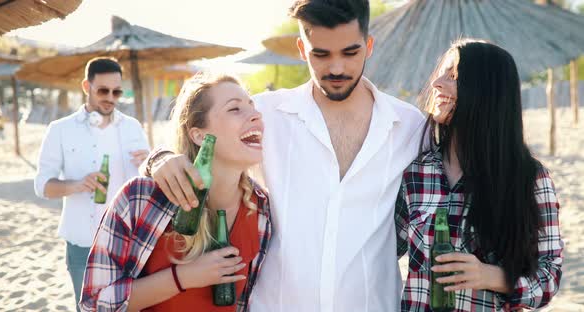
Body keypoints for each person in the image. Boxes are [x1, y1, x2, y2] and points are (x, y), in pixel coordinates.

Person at [143, 0, 425, 310]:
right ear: (302, 50)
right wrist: (159, 158)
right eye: (321, 54)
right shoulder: (263, 114)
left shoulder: (410, 126)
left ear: (368, 46)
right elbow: (200, 140)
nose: (336, 68)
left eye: (350, 52)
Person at [79, 73, 272, 312]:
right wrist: (183, 277)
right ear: (200, 135)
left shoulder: (262, 209)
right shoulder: (141, 198)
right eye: (235, 109)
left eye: (252, 106)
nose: (256, 115)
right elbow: (94, 304)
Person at [395, 39, 563, 311]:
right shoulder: (416, 172)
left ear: (487, 91)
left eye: (453, 76)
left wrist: (493, 276)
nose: (436, 83)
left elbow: (549, 276)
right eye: (440, 72)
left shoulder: (528, 179)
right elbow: (383, 251)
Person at [34, 57, 150, 311]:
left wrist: (149, 165)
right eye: (103, 90)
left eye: (116, 91)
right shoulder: (60, 129)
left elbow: (148, 185)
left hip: (127, 241)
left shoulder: (133, 128)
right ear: (86, 86)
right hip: (81, 244)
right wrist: (77, 185)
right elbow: (42, 186)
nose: (111, 97)